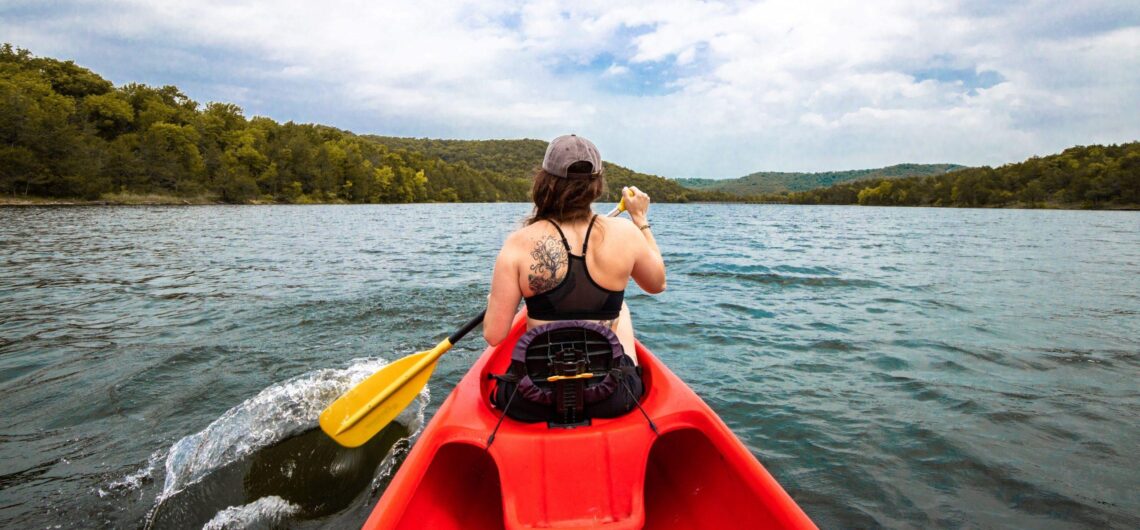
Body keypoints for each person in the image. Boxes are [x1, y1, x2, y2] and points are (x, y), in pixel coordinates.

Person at [484, 134, 666, 364]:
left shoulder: (519, 242)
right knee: (621, 308)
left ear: (544, 182)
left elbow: (494, 335)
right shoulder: (626, 233)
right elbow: (657, 283)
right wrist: (640, 219)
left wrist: (495, 300)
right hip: (608, 391)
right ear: (596, 185)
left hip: (539, 391)